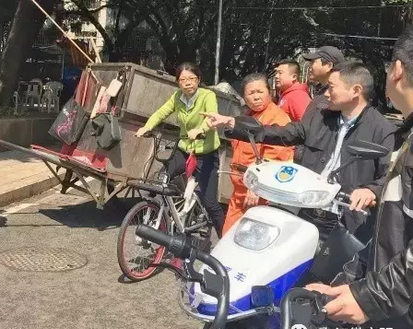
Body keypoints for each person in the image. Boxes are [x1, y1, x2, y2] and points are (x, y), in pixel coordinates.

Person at [306, 25, 413, 329]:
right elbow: (392, 234)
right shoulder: (405, 136)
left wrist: (369, 298)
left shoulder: (384, 128)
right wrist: (352, 283)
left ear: (397, 70)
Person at [200, 62, 396, 244]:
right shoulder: (321, 115)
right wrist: (234, 123)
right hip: (306, 209)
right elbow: (284, 132)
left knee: (331, 276)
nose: (326, 94)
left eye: (332, 87)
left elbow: (388, 176)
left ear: (355, 91)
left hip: (345, 219)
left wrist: (371, 191)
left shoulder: (381, 129)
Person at [135, 62, 225, 237]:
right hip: (184, 149)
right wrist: (147, 127)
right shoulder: (177, 97)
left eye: (191, 79)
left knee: (210, 202)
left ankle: (224, 239)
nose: (188, 83)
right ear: (178, 82)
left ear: (198, 80)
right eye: (183, 80)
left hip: (205, 154)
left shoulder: (208, 96)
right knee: (162, 180)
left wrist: (200, 130)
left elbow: (213, 117)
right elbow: (161, 112)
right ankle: (165, 217)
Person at [222, 73, 294, 234]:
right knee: (228, 236)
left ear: (269, 92)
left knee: (250, 239)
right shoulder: (247, 117)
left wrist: (256, 186)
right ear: (244, 98)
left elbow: (276, 157)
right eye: (251, 93)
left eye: (260, 92)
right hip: (239, 190)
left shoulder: (278, 118)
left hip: (259, 193)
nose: (256, 97)